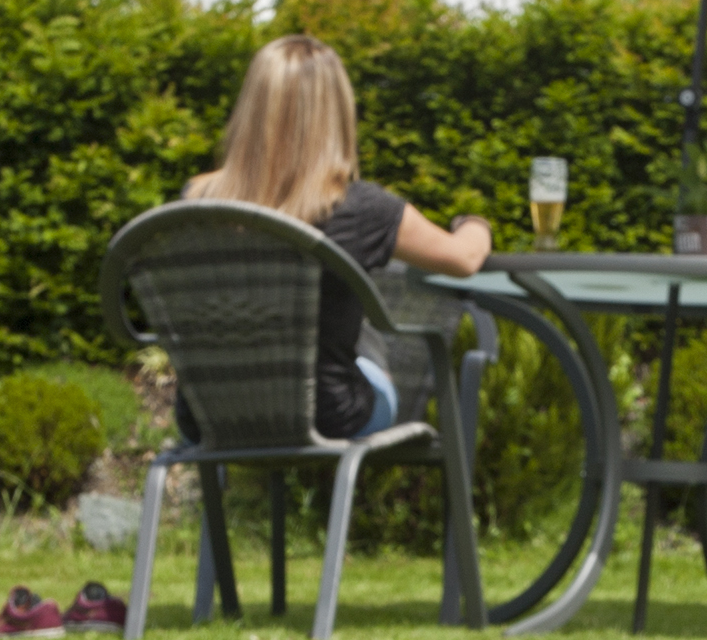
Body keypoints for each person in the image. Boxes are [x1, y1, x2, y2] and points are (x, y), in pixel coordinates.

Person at [184, 35, 491, 437]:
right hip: (329, 415)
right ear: (336, 114)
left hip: (207, 415)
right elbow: (464, 260)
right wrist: (476, 224)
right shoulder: (362, 208)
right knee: (367, 349)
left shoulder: (197, 200)